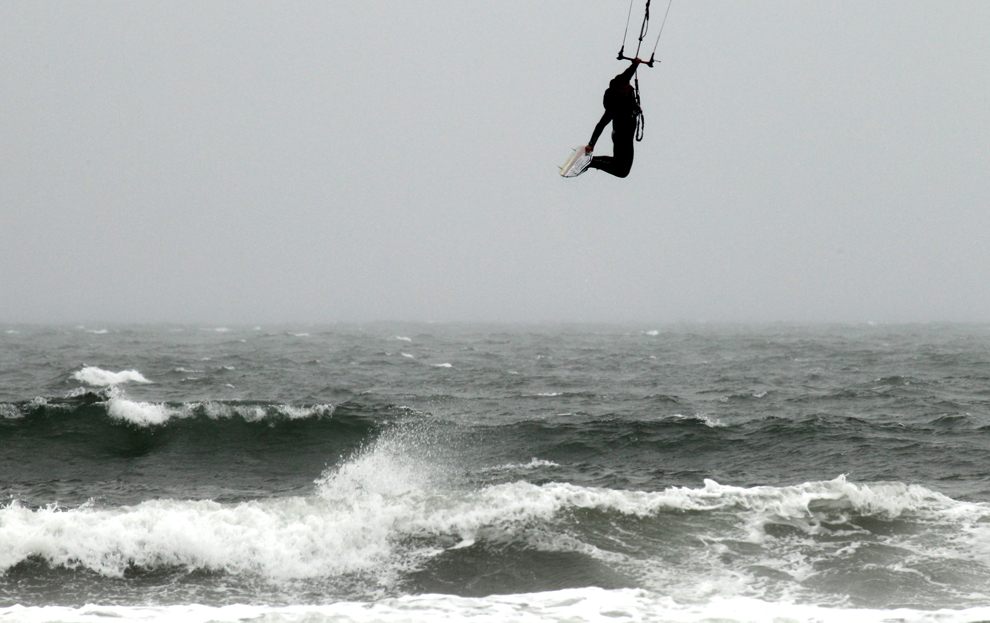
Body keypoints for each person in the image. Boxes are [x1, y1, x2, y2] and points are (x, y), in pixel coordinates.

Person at [585, 59, 642, 178]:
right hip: (622, 137)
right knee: (622, 171)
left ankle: (590, 161)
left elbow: (628, 73)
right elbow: (601, 124)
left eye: (627, 88)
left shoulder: (623, 85)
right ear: (617, 90)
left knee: (619, 163)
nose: (627, 92)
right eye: (623, 90)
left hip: (626, 136)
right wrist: (591, 144)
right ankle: (590, 162)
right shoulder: (614, 106)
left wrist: (635, 64)